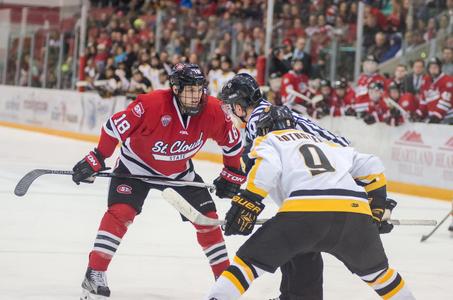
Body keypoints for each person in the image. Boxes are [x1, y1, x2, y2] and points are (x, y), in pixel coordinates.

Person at [72, 63, 246, 299]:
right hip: (135, 168)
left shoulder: (213, 109)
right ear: (175, 88)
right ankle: (94, 273)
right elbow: (113, 128)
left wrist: (232, 172)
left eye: (199, 90)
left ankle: (224, 281)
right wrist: (98, 157)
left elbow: (232, 142)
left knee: (208, 221)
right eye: (190, 90)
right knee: (120, 213)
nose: (196, 97)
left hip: (179, 174)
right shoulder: (150, 104)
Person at [206, 106, 414, 300]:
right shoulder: (324, 143)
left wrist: (248, 203)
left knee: (247, 263)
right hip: (354, 212)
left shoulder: (269, 140)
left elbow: (267, 170)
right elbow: (372, 165)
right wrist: (377, 207)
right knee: (380, 276)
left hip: (305, 213)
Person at [220, 73, 350, 300]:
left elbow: (265, 168)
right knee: (300, 241)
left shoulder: (259, 121)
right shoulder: (268, 112)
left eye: (232, 106)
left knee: (295, 238)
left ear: (240, 104)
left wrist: (244, 197)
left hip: (325, 183)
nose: (231, 111)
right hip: (332, 174)